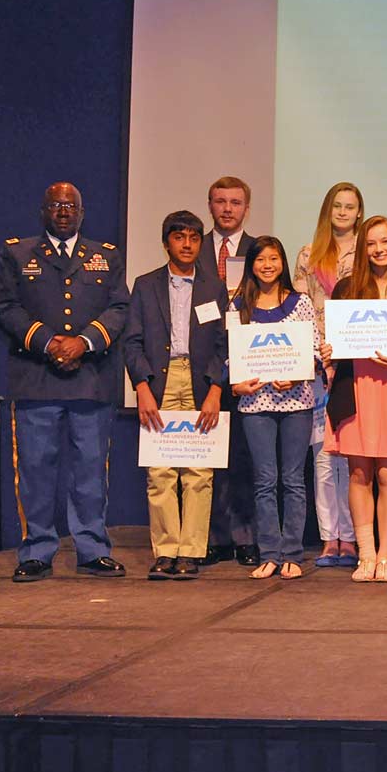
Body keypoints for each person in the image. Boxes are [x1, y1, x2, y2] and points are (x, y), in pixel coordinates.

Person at [0, 182, 129, 581]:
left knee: (89, 469)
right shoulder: (17, 253)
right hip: (36, 377)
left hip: (90, 378)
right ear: (43, 211)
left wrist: (82, 342)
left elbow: (119, 307)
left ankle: (91, 549)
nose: (64, 211)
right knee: (36, 469)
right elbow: (4, 306)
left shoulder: (106, 256)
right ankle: (36, 551)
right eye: (56, 205)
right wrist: (49, 341)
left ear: (82, 213)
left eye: (71, 206)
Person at [322, 216, 387, 582]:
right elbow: (336, 343)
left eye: (385, 242)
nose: (378, 249)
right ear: (362, 249)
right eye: (371, 243)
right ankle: (364, 555)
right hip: (355, 389)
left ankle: (386, 557)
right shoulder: (346, 289)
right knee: (358, 473)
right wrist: (329, 350)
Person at [123, 210, 228, 580]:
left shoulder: (214, 287)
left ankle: (191, 551)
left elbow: (223, 343)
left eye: (194, 238)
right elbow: (132, 341)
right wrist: (142, 387)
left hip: (200, 381)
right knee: (161, 471)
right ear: (166, 241)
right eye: (179, 237)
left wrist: (216, 388)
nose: (187, 244)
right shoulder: (145, 284)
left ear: (201, 243)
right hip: (159, 381)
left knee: (199, 471)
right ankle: (166, 550)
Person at [229, 237, 319, 580]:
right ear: (251, 264)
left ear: (283, 263)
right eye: (261, 259)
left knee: (294, 479)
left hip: (297, 401)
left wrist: (296, 376)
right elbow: (230, 353)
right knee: (265, 480)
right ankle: (269, 553)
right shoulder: (240, 305)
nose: (268, 265)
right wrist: (235, 383)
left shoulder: (301, 303)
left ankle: (292, 553)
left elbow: (311, 350)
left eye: (274, 259)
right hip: (255, 402)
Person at [294, 182, 363, 569]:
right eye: (336, 205)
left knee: (350, 453)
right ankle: (328, 537)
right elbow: (302, 309)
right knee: (322, 456)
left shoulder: (367, 253)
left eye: (350, 206)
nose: (342, 212)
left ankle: (351, 537)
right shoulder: (309, 254)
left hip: (355, 363)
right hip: (318, 366)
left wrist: (345, 353)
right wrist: (321, 354)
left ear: (358, 212)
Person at [201, 175, 261, 567]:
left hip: (249, 363)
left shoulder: (261, 251)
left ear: (246, 208)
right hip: (204, 362)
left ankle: (245, 537)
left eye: (235, 202)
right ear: (210, 206)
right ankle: (212, 537)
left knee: (244, 455)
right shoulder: (193, 247)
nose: (227, 208)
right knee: (207, 455)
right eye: (220, 201)